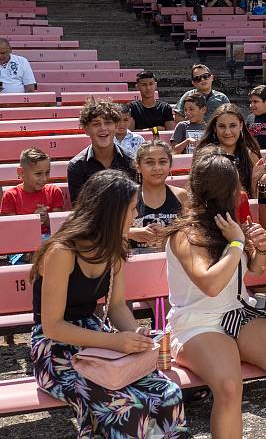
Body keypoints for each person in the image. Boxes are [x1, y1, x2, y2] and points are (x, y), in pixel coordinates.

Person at [30, 170, 188, 438]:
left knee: (168, 393)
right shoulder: (63, 251)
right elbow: (53, 326)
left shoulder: (114, 246)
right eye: (129, 210)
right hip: (54, 350)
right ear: (109, 212)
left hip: (96, 339)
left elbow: (116, 307)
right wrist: (116, 342)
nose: (134, 217)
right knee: (123, 407)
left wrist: (135, 335)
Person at [165, 151, 266, 439]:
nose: (241, 193)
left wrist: (260, 247)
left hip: (237, 312)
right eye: (235, 188)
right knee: (228, 385)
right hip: (197, 322)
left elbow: (257, 269)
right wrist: (237, 243)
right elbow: (210, 284)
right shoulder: (186, 233)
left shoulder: (228, 222)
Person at [1, 148, 64, 265]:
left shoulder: (54, 191)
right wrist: (32, 222)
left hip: (50, 242)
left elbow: (59, 227)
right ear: (21, 173)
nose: (44, 178)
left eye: (47, 173)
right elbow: (11, 231)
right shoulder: (11, 195)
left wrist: (47, 220)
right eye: (38, 174)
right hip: (21, 244)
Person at [67, 99, 136, 203]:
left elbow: (134, 203)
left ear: (116, 126)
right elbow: (79, 208)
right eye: (96, 124)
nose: (103, 128)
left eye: (108, 123)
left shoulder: (131, 161)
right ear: (86, 129)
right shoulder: (77, 166)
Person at [128, 141, 188, 254]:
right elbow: (109, 232)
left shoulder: (181, 195)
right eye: (150, 162)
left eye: (162, 162)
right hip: (137, 265)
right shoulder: (128, 197)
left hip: (173, 263)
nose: (157, 168)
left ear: (170, 165)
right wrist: (131, 233)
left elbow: (193, 232)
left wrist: (168, 234)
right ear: (138, 167)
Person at [197, 104, 262, 198]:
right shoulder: (205, 156)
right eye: (222, 126)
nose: (227, 132)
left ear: (241, 126)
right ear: (215, 128)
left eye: (233, 126)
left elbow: (258, 201)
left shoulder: (251, 154)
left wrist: (254, 181)